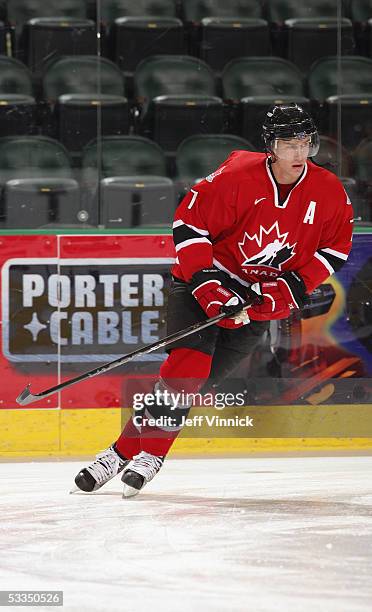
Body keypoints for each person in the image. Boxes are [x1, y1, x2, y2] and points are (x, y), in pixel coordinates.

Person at [74, 103, 354, 497]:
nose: (298, 153)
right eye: (288, 144)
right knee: (185, 372)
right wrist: (207, 284)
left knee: (186, 386)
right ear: (271, 146)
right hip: (202, 283)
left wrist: (290, 287)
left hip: (257, 299)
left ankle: (119, 452)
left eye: (305, 143)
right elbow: (188, 225)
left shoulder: (327, 191)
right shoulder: (237, 175)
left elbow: (336, 249)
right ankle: (151, 455)